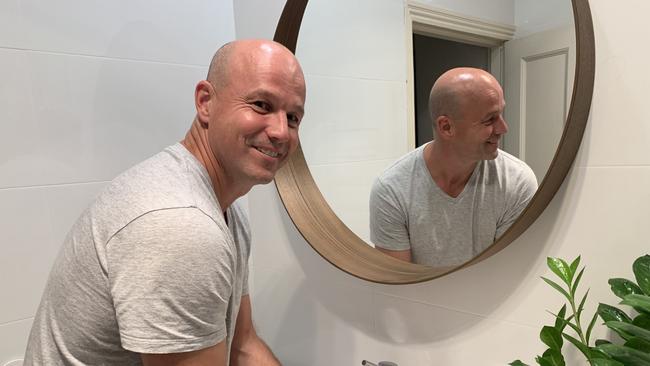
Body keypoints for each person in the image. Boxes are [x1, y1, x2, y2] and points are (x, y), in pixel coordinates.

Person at [24, 39, 306, 366]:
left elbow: (244, 345)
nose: (281, 132)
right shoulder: (180, 225)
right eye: (261, 104)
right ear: (205, 102)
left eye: (294, 117)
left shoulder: (227, 212)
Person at [369, 67, 537, 268]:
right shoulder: (392, 189)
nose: (503, 128)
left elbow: (508, 274)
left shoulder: (517, 182)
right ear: (446, 127)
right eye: (490, 119)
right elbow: (397, 282)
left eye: (501, 113)